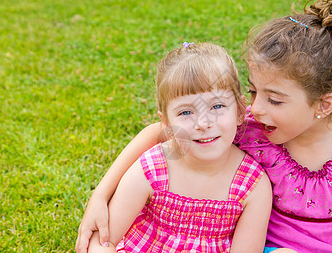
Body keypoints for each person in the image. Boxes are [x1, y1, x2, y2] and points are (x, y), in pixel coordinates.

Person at [77, 0, 332, 253]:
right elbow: (157, 133)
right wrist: (101, 194)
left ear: (324, 104)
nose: (255, 107)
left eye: (274, 99)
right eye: (252, 91)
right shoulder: (252, 129)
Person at [84, 42, 274, 252]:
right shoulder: (153, 168)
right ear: (166, 123)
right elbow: (102, 242)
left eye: (217, 106)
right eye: (185, 113)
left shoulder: (252, 184)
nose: (203, 123)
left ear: (239, 111)